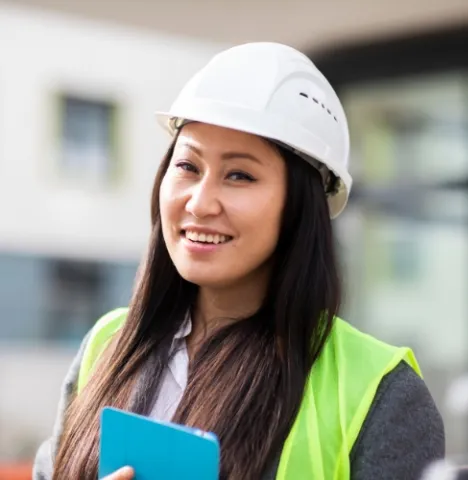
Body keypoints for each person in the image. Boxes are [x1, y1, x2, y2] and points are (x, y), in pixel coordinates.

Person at [33, 42, 445, 480]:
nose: (200, 202)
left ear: (301, 207)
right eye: (188, 166)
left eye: (239, 175)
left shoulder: (379, 392)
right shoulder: (107, 344)